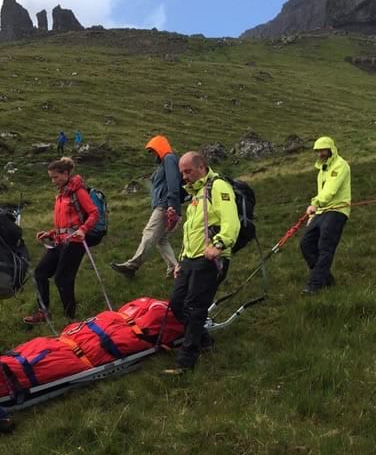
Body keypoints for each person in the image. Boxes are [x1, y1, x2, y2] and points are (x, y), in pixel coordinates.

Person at [165, 151, 240, 373]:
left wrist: (218, 245)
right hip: (190, 260)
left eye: (188, 171)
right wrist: (180, 261)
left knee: (195, 308)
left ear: (202, 167)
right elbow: (191, 232)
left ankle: (186, 362)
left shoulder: (218, 187)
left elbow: (231, 222)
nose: (184, 177)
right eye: (182, 173)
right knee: (177, 305)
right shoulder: (196, 195)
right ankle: (204, 341)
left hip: (210, 260)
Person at [23, 157, 100, 324]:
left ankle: (70, 317)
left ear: (65, 174)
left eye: (55, 177)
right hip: (59, 241)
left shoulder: (78, 191)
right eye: (51, 177)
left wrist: (83, 229)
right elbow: (65, 222)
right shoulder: (61, 193)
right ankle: (43, 312)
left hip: (75, 242)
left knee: (62, 278)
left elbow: (94, 213)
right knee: (40, 273)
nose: (53, 181)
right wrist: (50, 233)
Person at [111, 135, 181, 278]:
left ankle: (132, 265)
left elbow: (173, 184)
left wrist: (171, 206)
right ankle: (175, 269)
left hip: (165, 206)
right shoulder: (165, 162)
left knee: (149, 233)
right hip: (165, 205)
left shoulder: (169, 159)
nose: (153, 155)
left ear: (160, 147)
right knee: (161, 240)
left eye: (154, 151)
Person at [300, 136, 351, 294]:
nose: (320, 154)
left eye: (323, 150)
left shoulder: (340, 166)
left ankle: (314, 285)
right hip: (321, 212)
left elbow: (330, 190)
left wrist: (315, 204)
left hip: (337, 211)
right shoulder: (322, 170)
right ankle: (328, 281)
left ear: (331, 150)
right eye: (317, 151)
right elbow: (322, 192)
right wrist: (312, 215)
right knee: (306, 245)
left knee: (325, 247)